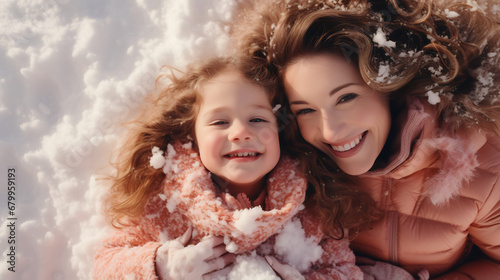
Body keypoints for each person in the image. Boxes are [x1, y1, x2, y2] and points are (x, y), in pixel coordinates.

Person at [232, 0, 500, 279]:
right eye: (306, 110)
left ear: (391, 86)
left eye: (346, 98)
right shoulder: (291, 160)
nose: (331, 132)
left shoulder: (482, 164)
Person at [93, 56, 366, 279]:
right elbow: (106, 266)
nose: (241, 132)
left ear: (281, 132)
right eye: (220, 122)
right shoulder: (165, 204)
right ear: (193, 137)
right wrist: (164, 266)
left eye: (258, 119)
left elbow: (346, 272)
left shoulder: (312, 208)